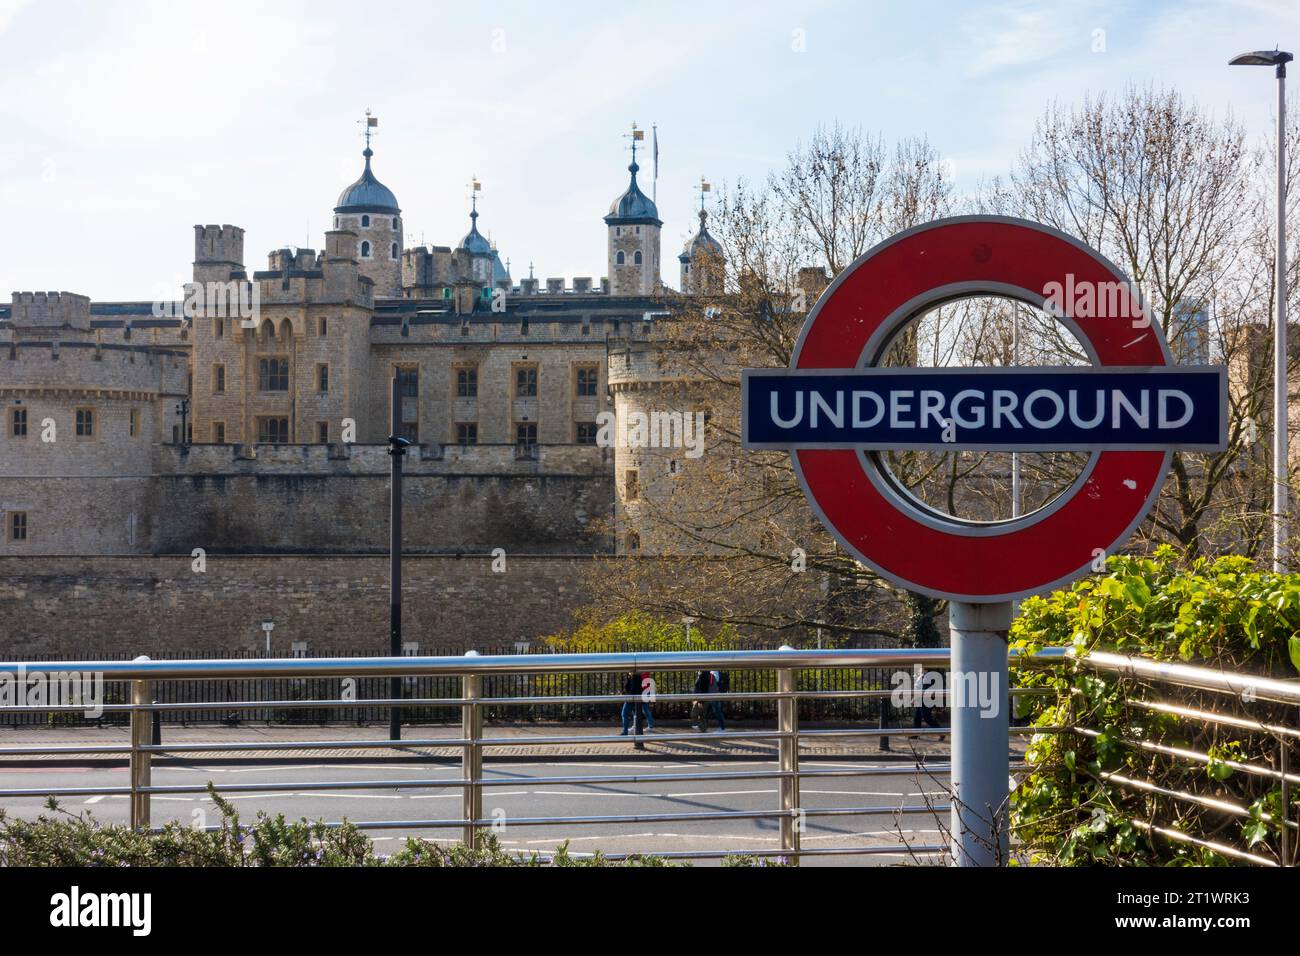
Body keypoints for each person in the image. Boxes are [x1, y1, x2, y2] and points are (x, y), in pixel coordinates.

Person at [619, 671, 654, 735]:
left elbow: (628, 688)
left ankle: (625, 731)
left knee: (625, 714)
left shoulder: (633, 677)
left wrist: (625, 692)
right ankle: (639, 729)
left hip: (631, 699)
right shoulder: (640, 677)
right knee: (638, 714)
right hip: (639, 699)